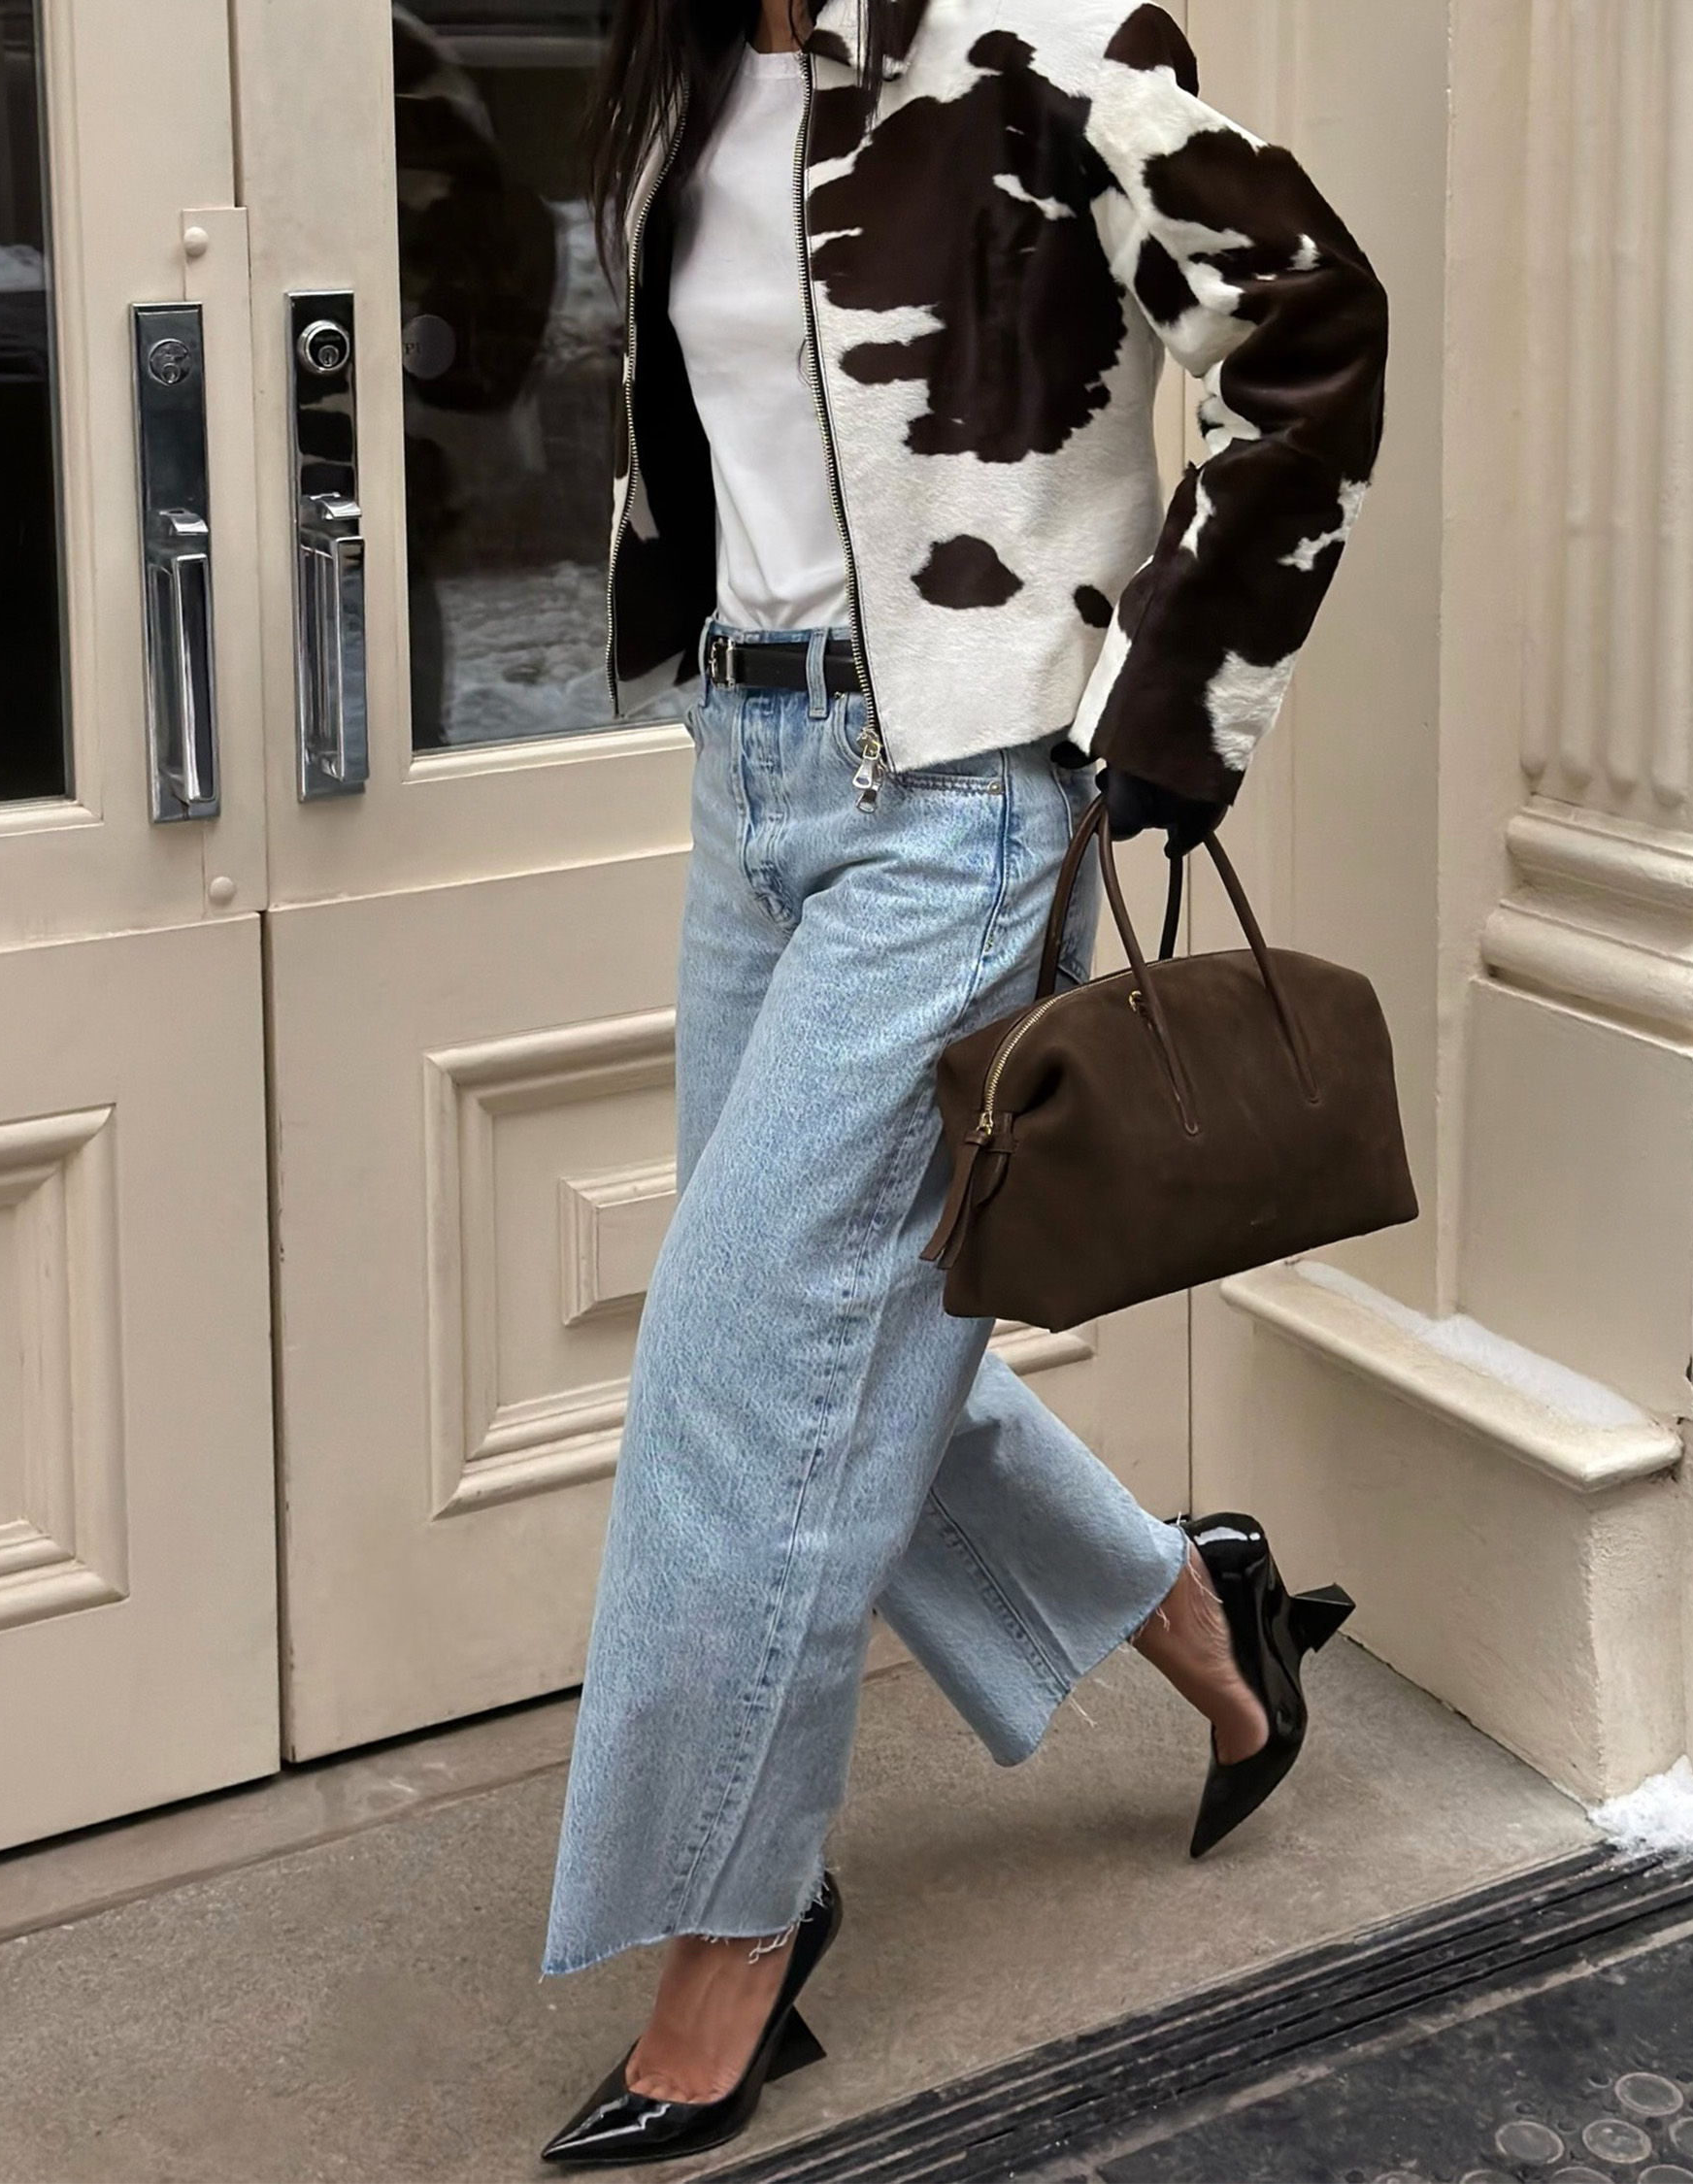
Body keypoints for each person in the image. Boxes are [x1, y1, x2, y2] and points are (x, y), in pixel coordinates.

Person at [536, 0, 1386, 2165]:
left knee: (741, 1370)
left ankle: (739, 1926)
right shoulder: (687, 73)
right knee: (831, 1332)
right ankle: (1203, 1614)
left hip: (961, 798)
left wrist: (1164, 705)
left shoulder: (1048, 44)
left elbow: (1313, 329)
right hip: (754, 771)